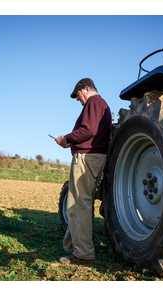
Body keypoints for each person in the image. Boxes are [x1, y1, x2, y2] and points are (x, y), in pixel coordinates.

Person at [55, 78, 111, 264]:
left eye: (78, 95)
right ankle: (72, 245)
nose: (79, 100)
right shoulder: (102, 104)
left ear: (87, 89)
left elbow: (88, 131)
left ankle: (83, 253)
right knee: (79, 201)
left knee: (80, 203)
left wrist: (66, 138)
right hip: (94, 157)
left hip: (87, 158)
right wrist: (70, 142)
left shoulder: (94, 102)